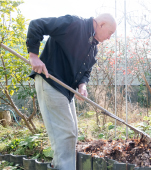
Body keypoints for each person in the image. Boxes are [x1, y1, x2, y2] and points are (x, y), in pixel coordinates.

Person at [26, 13, 116, 170]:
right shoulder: (74, 24)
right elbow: (37, 24)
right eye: (110, 33)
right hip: (50, 81)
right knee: (66, 134)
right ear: (101, 24)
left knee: (72, 133)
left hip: (66, 90)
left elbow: (86, 71)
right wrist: (33, 55)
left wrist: (82, 85)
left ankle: (59, 165)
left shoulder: (92, 48)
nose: (109, 38)